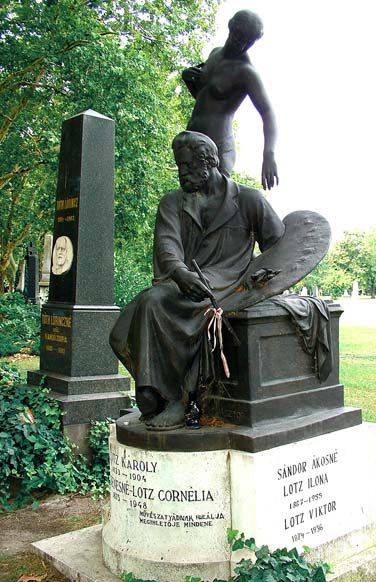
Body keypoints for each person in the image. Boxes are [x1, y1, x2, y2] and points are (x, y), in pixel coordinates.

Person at [109, 131, 284, 430]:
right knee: (133, 318)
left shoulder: (249, 199)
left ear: (209, 162)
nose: (182, 172)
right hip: (186, 281)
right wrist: (180, 274)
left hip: (232, 286)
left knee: (158, 304)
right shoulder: (172, 202)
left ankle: (177, 399)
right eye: (179, 165)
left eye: (188, 165)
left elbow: (277, 247)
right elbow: (167, 247)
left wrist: (262, 281)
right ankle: (154, 391)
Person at [182, 10, 279, 191]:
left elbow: (268, 113)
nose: (242, 44)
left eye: (248, 41)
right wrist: (188, 79)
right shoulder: (215, 54)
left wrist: (269, 154)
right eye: (239, 35)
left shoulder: (246, 72)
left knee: (214, 201)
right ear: (231, 26)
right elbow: (206, 100)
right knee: (189, 201)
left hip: (218, 148)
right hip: (192, 142)